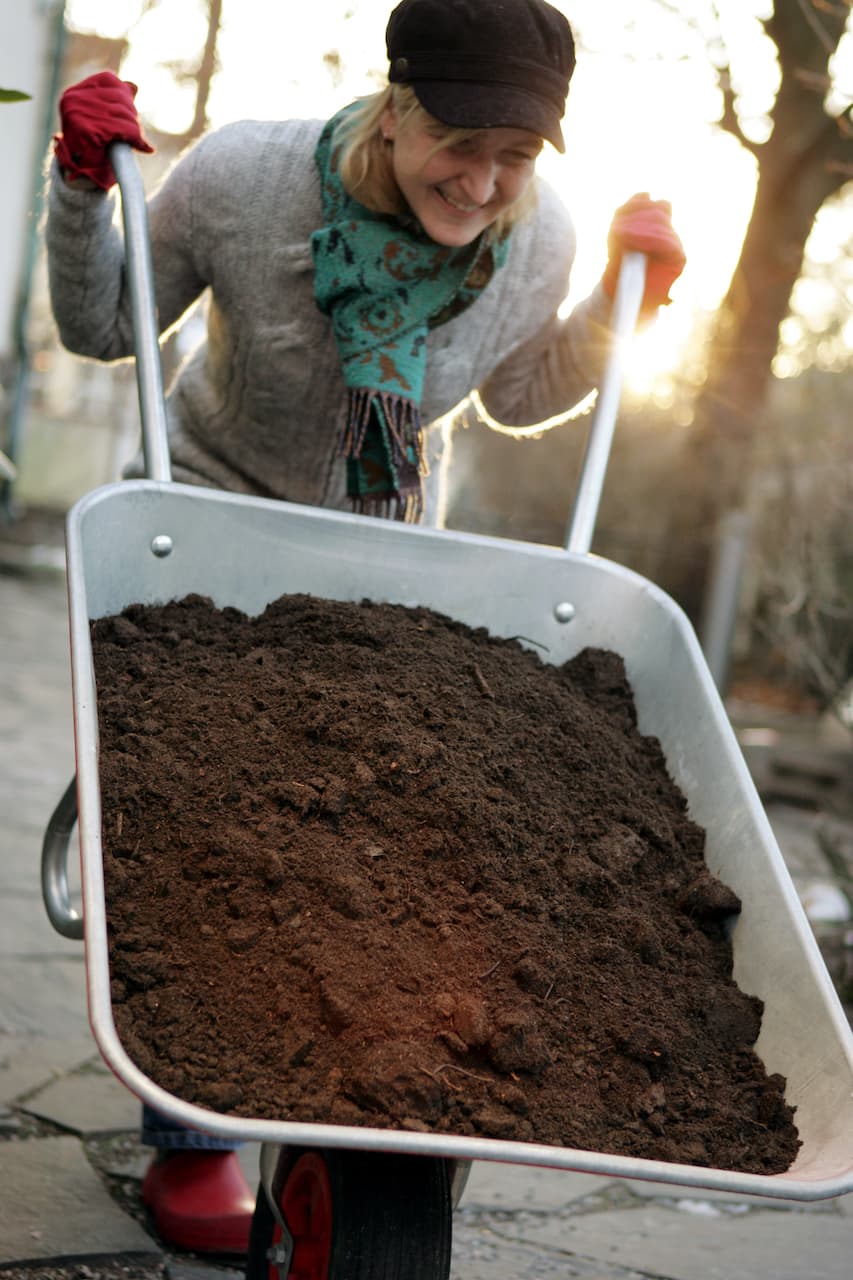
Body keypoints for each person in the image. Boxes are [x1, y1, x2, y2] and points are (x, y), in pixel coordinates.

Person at [45, 0, 685, 1255]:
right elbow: (103, 328)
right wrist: (81, 194)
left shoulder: (530, 231)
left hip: (382, 554)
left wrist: (625, 305)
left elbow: (517, 394)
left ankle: (343, 1095)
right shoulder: (243, 178)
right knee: (213, 827)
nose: (485, 182)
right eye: (460, 142)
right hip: (209, 534)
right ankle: (194, 1124)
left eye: (518, 157)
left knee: (362, 844)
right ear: (395, 106)